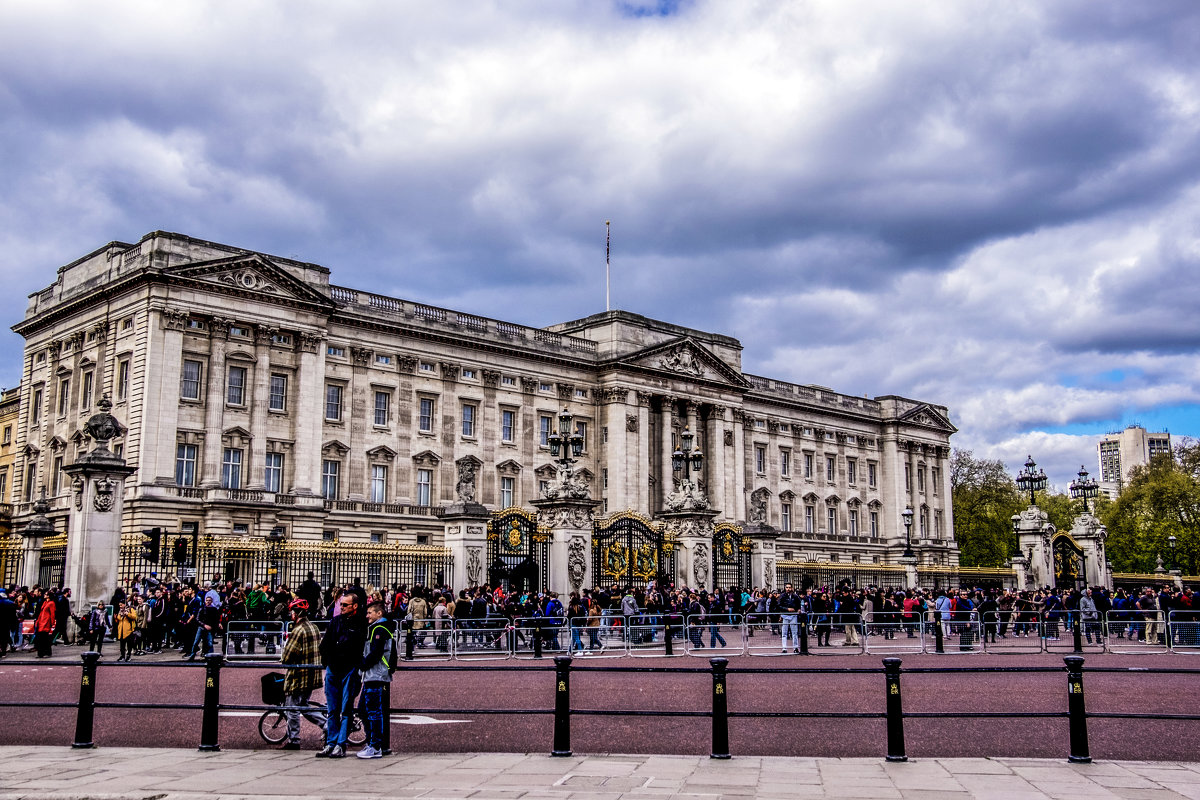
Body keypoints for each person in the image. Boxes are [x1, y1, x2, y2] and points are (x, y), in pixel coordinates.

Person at [317, 590, 367, 758]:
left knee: (346, 709)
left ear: (354, 606)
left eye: (345, 605)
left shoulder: (360, 623)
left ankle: (341, 744)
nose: (342, 607)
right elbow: (324, 645)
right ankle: (331, 743)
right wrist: (329, 661)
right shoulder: (335, 621)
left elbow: (357, 647)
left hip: (349, 669)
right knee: (332, 709)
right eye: (341, 604)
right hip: (334, 668)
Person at [279, 598, 324, 750]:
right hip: (313, 674)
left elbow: (287, 657)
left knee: (292, 708)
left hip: (299, 676)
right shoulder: (314, 627)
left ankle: (294, 740)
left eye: (292, 612)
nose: (291, 614)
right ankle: (327, 724)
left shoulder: (297, 630)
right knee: (304, 706)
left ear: (297, 613)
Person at [356, 600, 396, 759]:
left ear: (379, 613)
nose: (367, 616)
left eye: (370, 613)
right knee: (363, 711)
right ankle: (373, 742)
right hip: (373, 675)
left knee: (372, 711)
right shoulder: (378, 627)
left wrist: (363, 664)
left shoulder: (379, 629)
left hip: (375, 674)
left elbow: (376, 653)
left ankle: (376, 746)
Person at [776, 583, 802, 653]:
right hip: (785, 615)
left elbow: (799, 604)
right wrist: (787, 609)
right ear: (785, 588)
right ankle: (784, 648)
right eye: (787, 587)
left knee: (795, 632)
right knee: (784, 633)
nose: (788, 589)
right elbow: (778, 606)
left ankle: (795, 647)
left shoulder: (795, 596)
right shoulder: (782, 596)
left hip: (793, 615)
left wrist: (798, 609)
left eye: (789, 587)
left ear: (792, 588)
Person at [33, 590, 57, 658]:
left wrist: (52, 623)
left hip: (46, 622)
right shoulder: (44, 602)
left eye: (46, 594)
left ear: (49, 596)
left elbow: (52, 614)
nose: (44, 595)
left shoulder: (51, 603)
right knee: (43, 638)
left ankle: (42, 653)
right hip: (41, 621)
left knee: (43, 638)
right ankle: (45, 652)